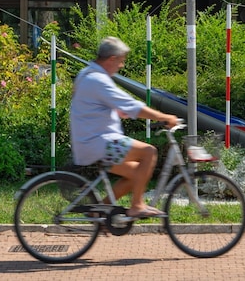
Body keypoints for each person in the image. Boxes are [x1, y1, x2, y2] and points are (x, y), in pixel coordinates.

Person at [71, 36, 179, 218]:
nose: (121, 66)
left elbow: (97, 105)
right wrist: (164, 116)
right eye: (121, 61)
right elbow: (132, 105)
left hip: (90, 141)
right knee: (149, 152)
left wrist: (117, 110)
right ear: (111, 59)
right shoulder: (98, 80)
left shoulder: (86, 74)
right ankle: (137, 205)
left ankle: (99, 211)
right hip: (100, 143)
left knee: (138, 174)